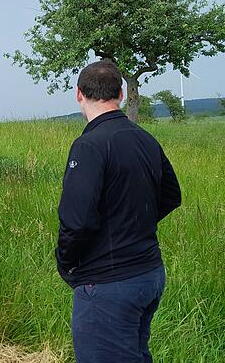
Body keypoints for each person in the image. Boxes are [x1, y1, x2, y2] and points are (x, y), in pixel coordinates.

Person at [56, 59, 181, 362]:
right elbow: (171, 195)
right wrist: (132, 226)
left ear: (78, 94)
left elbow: (78, 221)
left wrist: (66, 262)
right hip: (149, 273)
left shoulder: (89, 145)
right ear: (121, 95)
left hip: (108, 283)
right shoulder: (144, 138)